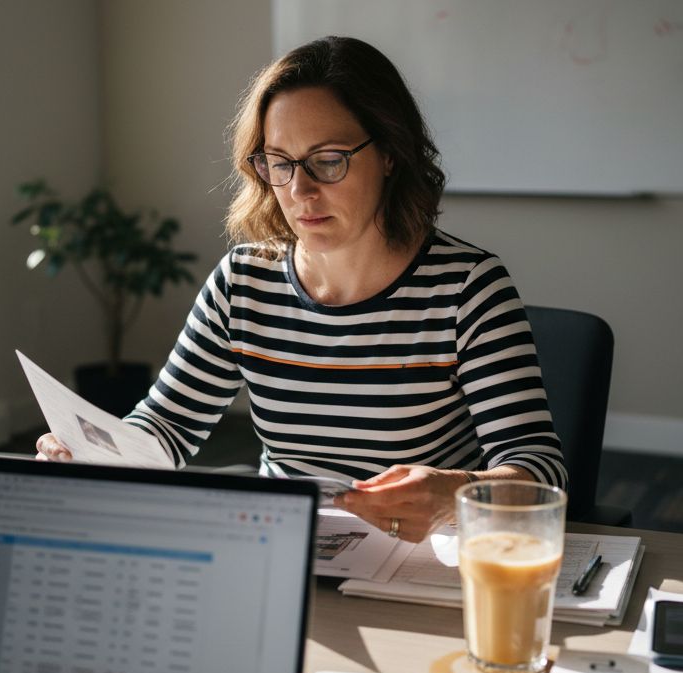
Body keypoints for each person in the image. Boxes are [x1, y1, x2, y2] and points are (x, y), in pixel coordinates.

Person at [37, 36, 565, 543]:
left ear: (390, 153)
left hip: (418, 558)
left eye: (328, 160)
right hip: (283, 546)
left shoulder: (467, 288)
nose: (299, 190)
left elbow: (540, 472)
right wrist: (92, 452)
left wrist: (453, 493)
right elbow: (165, 427)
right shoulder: (243, 282)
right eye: (280, 163)